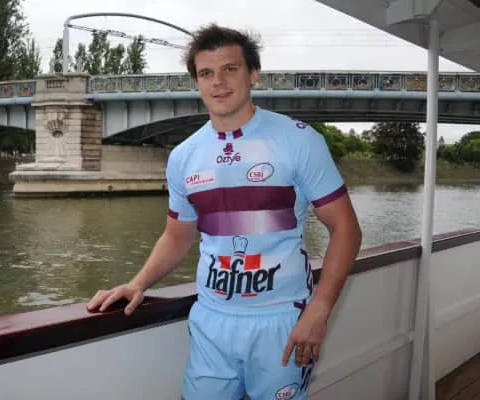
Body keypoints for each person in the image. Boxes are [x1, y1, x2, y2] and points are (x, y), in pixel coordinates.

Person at [87, 23, 362, 400]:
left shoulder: (299, 140)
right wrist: (138, 283)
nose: (218, 82)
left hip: (282, 318)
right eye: (206, 73)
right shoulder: (183, 156)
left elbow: (346, 229)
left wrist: (320, 309)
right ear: (196, 83)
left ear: (253, 74)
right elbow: (177, 237)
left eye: (230, 69)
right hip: (211, 321)